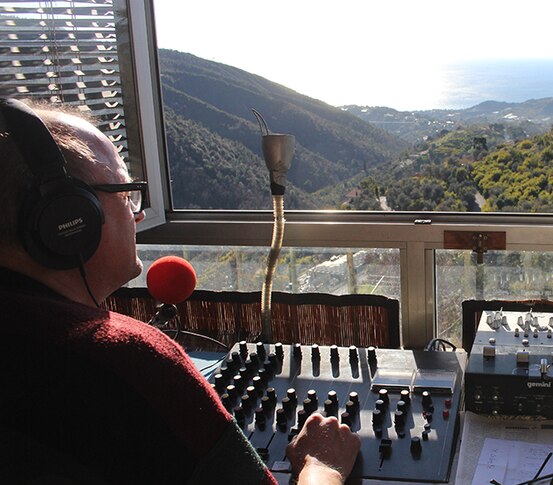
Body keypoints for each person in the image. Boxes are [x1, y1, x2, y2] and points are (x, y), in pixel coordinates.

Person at [0, 99, 360, 484]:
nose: (138, 214)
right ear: (69, 220)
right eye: (125, 193)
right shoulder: (124, 359)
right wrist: (324, 465)